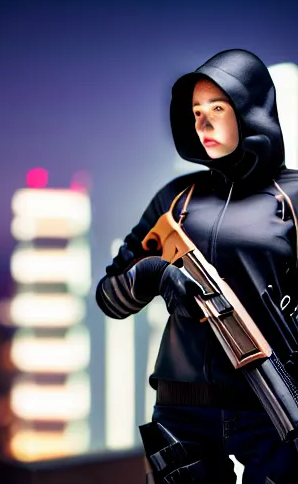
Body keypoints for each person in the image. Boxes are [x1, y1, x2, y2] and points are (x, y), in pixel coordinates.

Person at [95, 49, 298, 483]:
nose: (203, 123)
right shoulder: (177, 197)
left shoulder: (294, 200)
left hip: (273, 407)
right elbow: (110, 297)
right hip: (180, 412)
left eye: (218, 109)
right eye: (196, 111)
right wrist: (155, 275)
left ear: (252, 110)